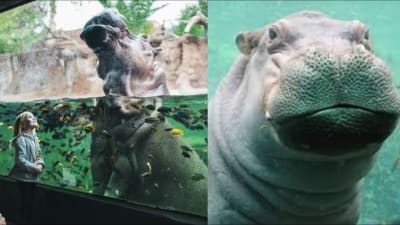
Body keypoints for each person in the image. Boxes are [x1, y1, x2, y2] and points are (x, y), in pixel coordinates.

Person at [8, 111, 45, 225]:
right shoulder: (20, 139)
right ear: (23, 124)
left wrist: (40, 164)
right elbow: (20, 161)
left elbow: (39, 155)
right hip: (23, 178)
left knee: (31, 205)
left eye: (34, 117)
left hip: (33, 178)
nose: (34, 118)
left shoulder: (35, 139)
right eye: (30, 117)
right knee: (25, 204)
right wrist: (34, 168)